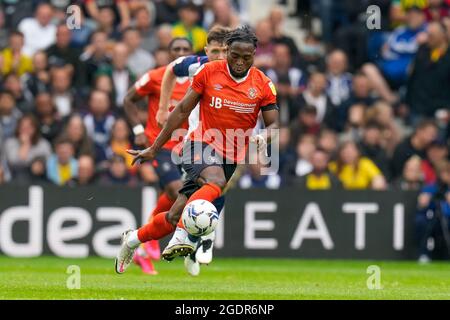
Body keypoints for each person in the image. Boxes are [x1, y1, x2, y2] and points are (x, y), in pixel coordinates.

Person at [115, 26, 279, 275]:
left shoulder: (263, 84)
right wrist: (154, 146)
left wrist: (264, 137)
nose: (239, 62)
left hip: (230, 155)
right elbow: (180, 110)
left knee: (172, 216)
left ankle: (133, 239)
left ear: (254, 54)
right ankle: (186, 236)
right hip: (197, 144)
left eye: (246, 57)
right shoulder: (209, 71)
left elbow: (275, 125)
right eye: (234, 55)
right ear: (227, 51)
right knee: (215, 182)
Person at [155, 25, 230, 275]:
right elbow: (169, 70)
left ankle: (189, 241)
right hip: (199, 141)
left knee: (200, 195)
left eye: (224, 51)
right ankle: (204, 237)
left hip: (229, 141)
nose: (219, 56)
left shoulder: (239, 72)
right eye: (215, 51)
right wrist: (162, 107)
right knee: (215, 184)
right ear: (206, 49)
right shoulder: (195, 66)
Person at [123, 37, 193, 274]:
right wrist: (138, 130)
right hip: (160, 145)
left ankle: (144, 242)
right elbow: (128, 99)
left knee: (176, 195)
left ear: (192, 53)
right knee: (176, 191)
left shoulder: (200, 79)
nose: (181, 52)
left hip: (189, 147)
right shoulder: (156, 76)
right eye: (177, 49)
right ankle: (150, 239)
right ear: (168, 52)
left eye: (185, 49)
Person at [415, 160, 450, 263]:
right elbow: (422, 204)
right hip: (433, 219)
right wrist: (424, 200)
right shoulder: (432, 188)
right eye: (444, 173)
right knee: (422, 222)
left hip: (447, 219)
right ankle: (424, 254)